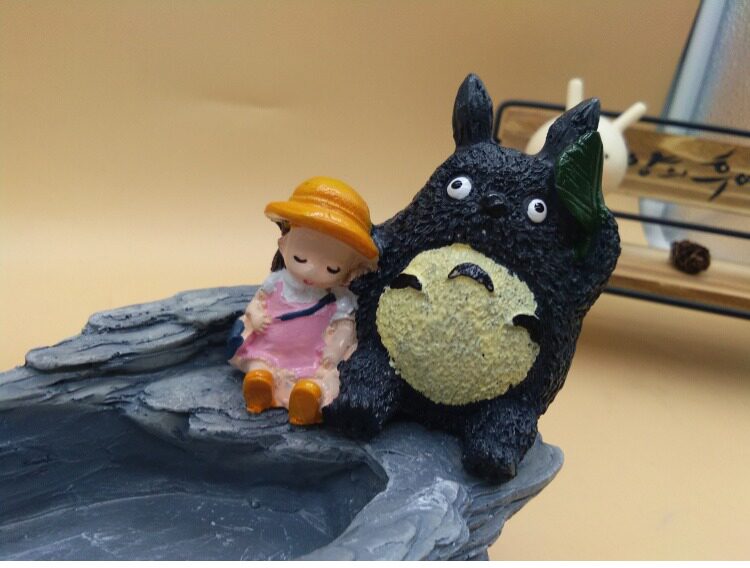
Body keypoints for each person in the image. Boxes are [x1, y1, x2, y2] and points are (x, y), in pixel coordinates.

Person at [228, 177, 378, 425]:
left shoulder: (339, 299)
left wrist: (336, 349)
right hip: (271, 348)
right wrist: (256, 315)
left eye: (331, 268)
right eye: (300, 258)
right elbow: (256, 305)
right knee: (259, 363)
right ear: (284, 245)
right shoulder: (276, 283)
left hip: (313, 356)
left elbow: (345, 326)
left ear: (350, 270)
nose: (311, 271)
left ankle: (309, 397)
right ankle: (260, 383)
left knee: (325, 377)